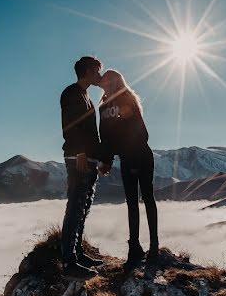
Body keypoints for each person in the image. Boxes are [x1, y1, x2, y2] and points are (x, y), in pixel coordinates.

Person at [98, 69, 159, 270]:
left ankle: (154, 247)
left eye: (108, 80)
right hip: (126, 158)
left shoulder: (126, 99)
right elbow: (105, 136)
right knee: (132, 203)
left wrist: (125, 154)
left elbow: (140, 132)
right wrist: (106, 160)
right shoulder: (103, 106)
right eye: (103, 81)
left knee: (147, 199)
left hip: (140, 156)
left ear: (115, 82)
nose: (104, 83)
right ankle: (135, 247)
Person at [59, 56, 105, 280]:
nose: (100, 75)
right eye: (98, 71)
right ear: (88, 70)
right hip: (79, 158)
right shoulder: (72, 93)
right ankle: (69, 263)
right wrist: (80, 152)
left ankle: (78, 253)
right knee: (75, 206)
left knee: (83, 206)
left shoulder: (86, 95)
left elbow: (91, 131)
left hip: (89, 158)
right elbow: (71, 124)